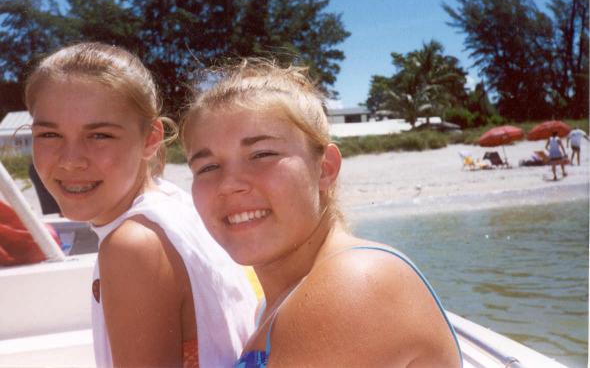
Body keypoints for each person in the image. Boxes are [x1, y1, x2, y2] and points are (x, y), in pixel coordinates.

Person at [181, 59, 462, 367]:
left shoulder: (356, 283)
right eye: (207, 167)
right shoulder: (275, 302)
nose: (229, 185)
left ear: (325, 169)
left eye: (261, 154)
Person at [25, 43, 256, 367]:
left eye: (100, 135)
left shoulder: (132, 247)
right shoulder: (175, 202)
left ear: (150, 139)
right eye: (49, 135)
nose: (71, 160)